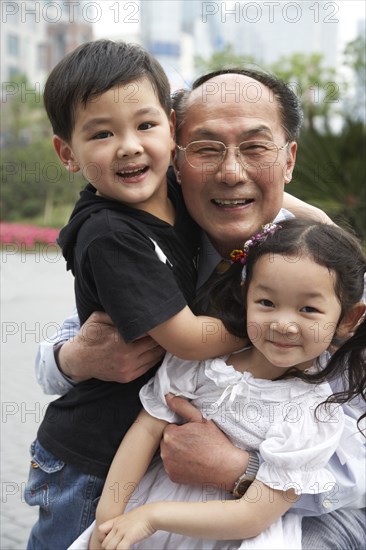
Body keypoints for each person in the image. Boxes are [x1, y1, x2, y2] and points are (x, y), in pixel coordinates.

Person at [31, 68, 366, 548]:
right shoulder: (150, 233)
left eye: (255, 148)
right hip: (124, 477)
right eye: (207, 149)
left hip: (303, 511)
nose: (232, 173)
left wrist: (240, 470)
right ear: (178, 158)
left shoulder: (337, 284)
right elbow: (61, 353)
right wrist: (75, 359)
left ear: (288, 159)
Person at [24, 40, 246, 550]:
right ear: (67, 154)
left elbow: (255, 185)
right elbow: (187, 338)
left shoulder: (172, 185)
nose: (128, 145)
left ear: (171, 129)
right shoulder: (110, 235)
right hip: (88, 462)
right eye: (101, 133)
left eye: (144, 125)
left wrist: (313, 219)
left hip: (140, 453)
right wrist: (266, 325)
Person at [68, 218, 366, 550]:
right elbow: (147, 429)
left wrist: (153, 517)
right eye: (266, 303)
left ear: (348, 319)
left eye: (308, 309)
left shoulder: (314, 414)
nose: (284, 324)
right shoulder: (202, 363)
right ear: (246, 294)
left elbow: (253, 515)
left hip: (221, 534)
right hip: (142, 520)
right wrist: (109, 517)